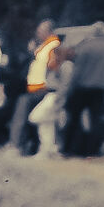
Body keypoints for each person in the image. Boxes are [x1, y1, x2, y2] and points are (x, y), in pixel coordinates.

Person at [15, 19, 62, 156]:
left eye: (40, 31)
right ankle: (33, 147)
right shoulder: (43, 45)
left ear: (48, 32)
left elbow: (53, 66)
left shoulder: (53, 45)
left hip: (43, 89)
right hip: (35, 88)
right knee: (36, 120)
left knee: (34, 117)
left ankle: (21, 146)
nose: (38, 33)